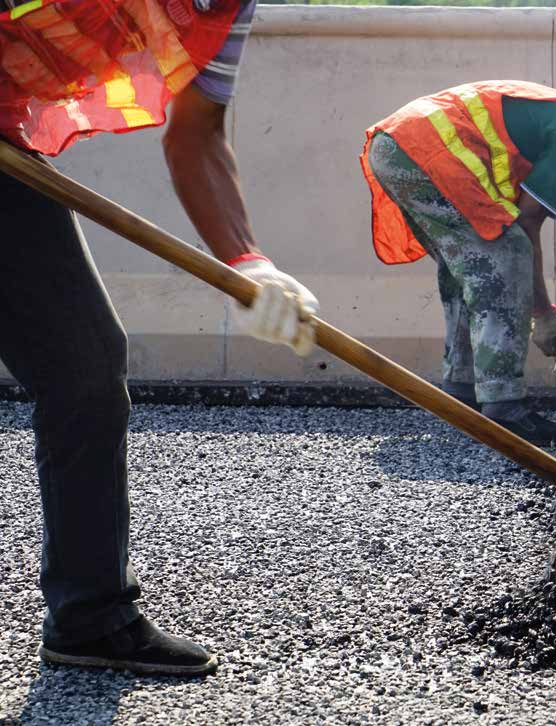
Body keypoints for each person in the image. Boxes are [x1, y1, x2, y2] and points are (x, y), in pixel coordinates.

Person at [0, 0, 317, 675]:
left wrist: (250, 263)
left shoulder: (226, 10)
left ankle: (90, 616)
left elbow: (197, 133)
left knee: (83, 365)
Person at [361, 80, 556, 446]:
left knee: (471, 267)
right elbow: (527, 222)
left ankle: (461, 391)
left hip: (396, 147)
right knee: (507, 251)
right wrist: (544, 313)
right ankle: (505, 409)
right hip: (425, 148)